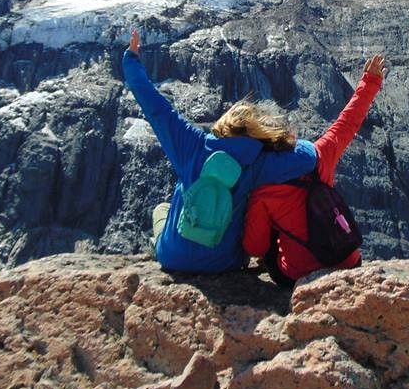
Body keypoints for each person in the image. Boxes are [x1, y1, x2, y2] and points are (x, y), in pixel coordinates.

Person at [122, 30, 318, 274]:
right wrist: (274, 142)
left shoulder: (192, 145)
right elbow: (310, 157)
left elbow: (155, 106)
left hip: (172, 258)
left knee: (161, 208)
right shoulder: (259, 162)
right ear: (254, 130)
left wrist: (131, 61)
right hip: (224, 263)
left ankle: (161, 245)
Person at [243, 54, 387, 287]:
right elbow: (347, 123)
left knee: (270, 233)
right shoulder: (319, 155)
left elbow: (255, 247)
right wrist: (370, 81)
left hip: (300, 276)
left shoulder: (262, 191)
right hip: (347, 261)